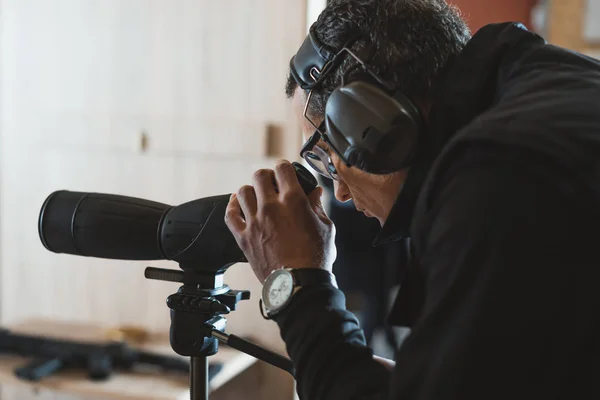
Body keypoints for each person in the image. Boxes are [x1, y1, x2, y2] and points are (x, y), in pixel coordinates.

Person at [225, 0, 600, 398]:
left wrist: (296, 280)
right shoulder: (553, 85)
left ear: (372, 120)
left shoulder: (497, 175)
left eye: (330, 157)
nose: (342, 192)